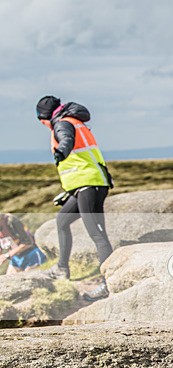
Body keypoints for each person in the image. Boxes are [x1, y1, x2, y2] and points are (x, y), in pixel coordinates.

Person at [36, 95, 113, 301]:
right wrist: (69, 190)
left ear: (44, 117)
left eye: (41, 121)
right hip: (84, 185)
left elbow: (66, 139)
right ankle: (62, 268)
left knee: (98, 235)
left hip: (90, 185)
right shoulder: (76, 121)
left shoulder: (62, 124)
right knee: (62, 221)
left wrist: (61, 150)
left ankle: (108, 284)